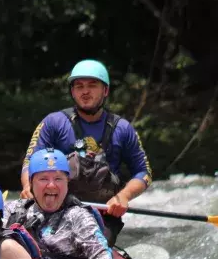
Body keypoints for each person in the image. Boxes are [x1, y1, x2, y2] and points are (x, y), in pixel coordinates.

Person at [20, 59, 152, 246]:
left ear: (105, 91)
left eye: (92, 85)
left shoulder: (123, 129)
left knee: (90, 247)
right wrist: (27, 186)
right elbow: (30, 162)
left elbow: (144, 172)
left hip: (101, 215)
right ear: (72, 92)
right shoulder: (53, 123)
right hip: (55, 209)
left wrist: (124, 196)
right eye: (79, 86)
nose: (85, 91)